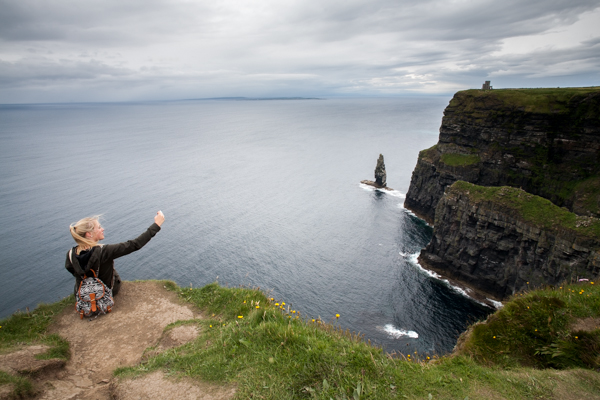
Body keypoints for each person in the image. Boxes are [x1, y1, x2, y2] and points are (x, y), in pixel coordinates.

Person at [66, 211, 165, 296]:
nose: (102, 229)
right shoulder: (103, 251)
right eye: (99, 227)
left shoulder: (70, 254)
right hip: (105, 293)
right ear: (89, 234)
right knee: (113, 273)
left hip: (82, 294)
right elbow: (134, 245)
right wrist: (156, 225)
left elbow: (70, 268)